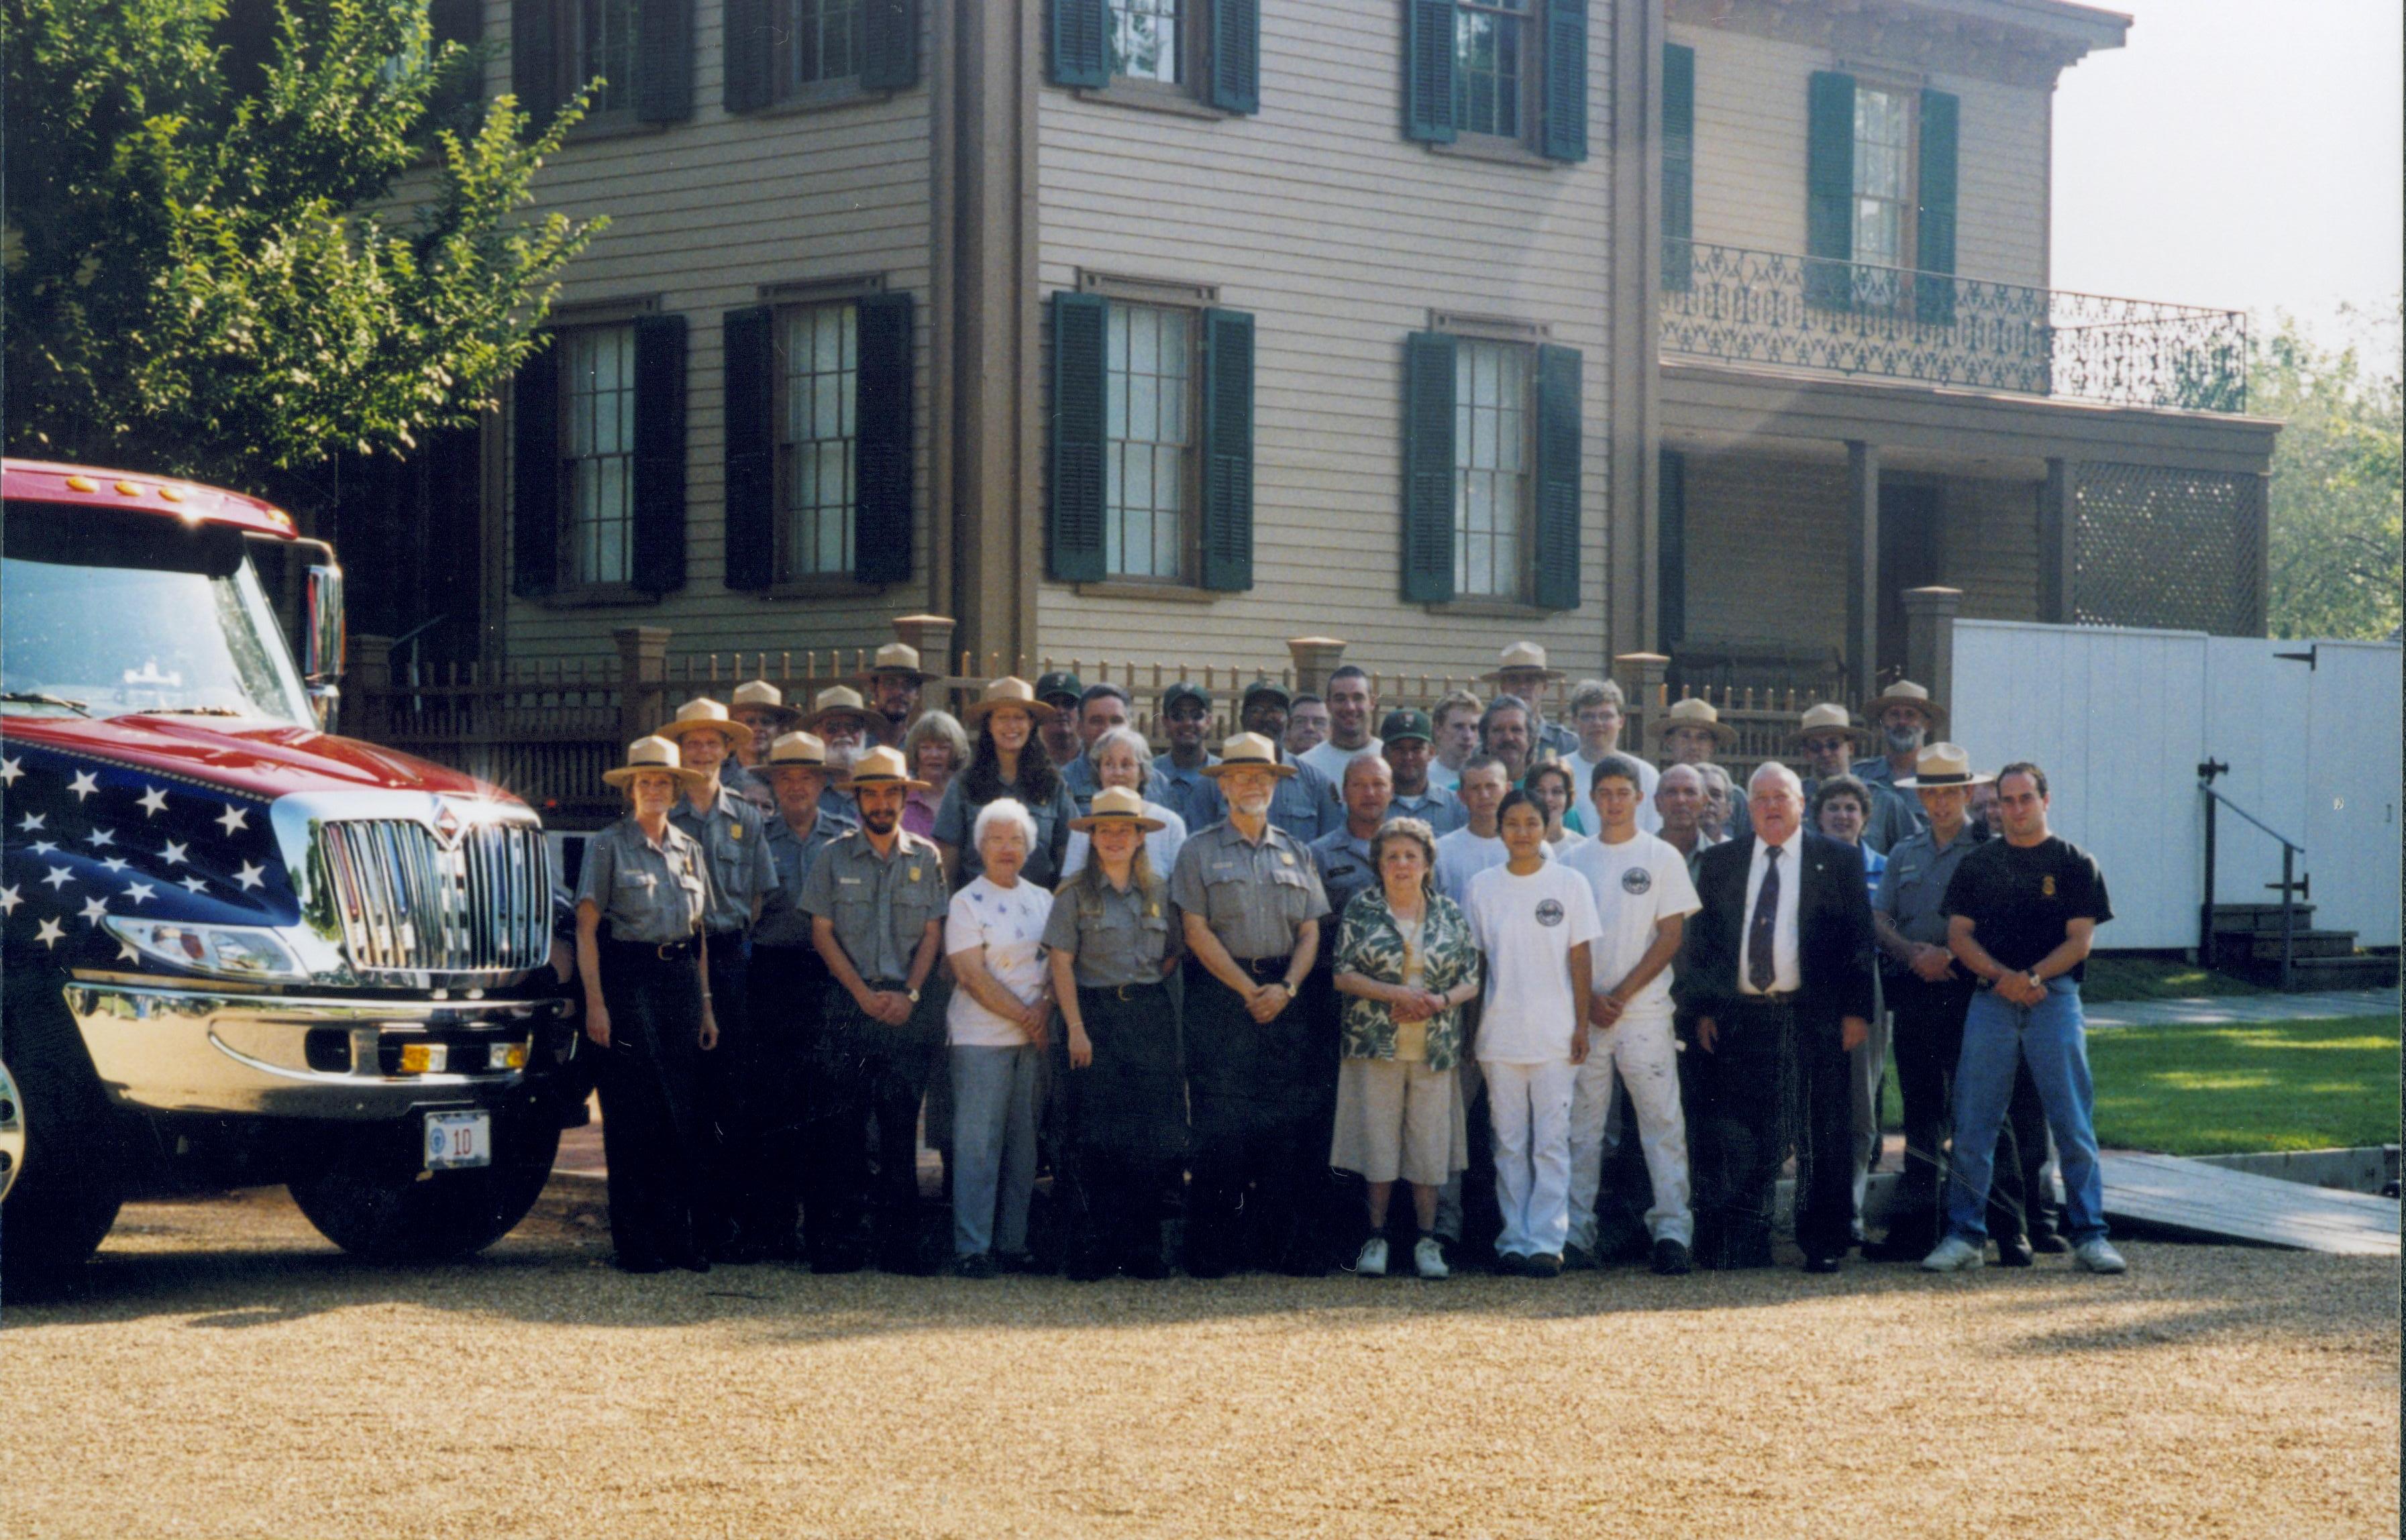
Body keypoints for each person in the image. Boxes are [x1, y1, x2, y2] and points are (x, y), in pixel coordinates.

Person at [1922, 761, 2126, 1275]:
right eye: (2005, 801)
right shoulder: (1979, 864)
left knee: (2073, 1123)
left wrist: (2031, 978)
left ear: (2045, 800)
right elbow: (1959, 936)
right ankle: (1965, 1236)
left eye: (2024, 799)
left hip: (2053, 1000)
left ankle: (2090, 1235)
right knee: (1973, 1125)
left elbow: (2080, 940)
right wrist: (2000, 978)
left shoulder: (2076, 863)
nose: (2014, 810)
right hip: (1991, 1000)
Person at [1678, 763, 1875, 1274]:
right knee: (1743, 1130)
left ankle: (1823, 1240)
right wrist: (1702, 1008)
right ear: (1748, 808)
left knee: (1820, 1129)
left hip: (1813, 1015)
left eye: (1781, 797)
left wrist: (1857, 1012)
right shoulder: (1722, 862)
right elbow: (1705, 943)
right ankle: (1743, 1240)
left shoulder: (1837, 859)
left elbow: (1859, 940)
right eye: (1761, 797)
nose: (1771, 806)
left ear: (1801, 803)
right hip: (1743, 1015)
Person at [1864, 745, 2054, 1264]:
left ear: (1968, 793)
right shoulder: (1905, 852)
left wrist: (1954, 952)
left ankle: (2007, 1229)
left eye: (1951, 791)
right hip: (1918, 994)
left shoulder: (1994, 851)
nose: (1941, 802)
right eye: (1932, 792)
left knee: (1988, 1114)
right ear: (1921, 797)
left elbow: (2011, 923)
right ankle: (1918, 1231)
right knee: (1923, 1114)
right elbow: (1882, 919)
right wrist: (1912, 952)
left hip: (1976, 997)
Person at [1169, 733, 1332, 1276]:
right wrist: (1247, 989)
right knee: (1223, 1127)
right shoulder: (1198, 850)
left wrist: (1285, 989)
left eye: (1262, 777)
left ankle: (1280, 1248)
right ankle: (1216, 1252)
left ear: (1275, 785)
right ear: (1223, 786)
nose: (1252, 785)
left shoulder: (1297, 851)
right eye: (1241, 776)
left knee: (1286, 1129)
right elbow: (1194, 931)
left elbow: (1310, 930)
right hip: (1222, 997)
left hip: (1286, 995)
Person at [800, 746, 950, 1274]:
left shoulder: (926, 857)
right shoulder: (833, 856)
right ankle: (839, 1246)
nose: (882, 803)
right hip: (849, 1004)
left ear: (905, 797)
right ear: (858, 798)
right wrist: (862, 995)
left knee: (898, 1129)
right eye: (871, 793)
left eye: (891, 793)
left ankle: (900, 1248)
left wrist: (909, 994)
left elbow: (933, 932)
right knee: (842, 1132)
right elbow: (821, 932)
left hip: (905, 1008)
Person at [575, 736, 721, 1274]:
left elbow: (699, 932)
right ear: (631, 790)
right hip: (628, 979)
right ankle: (635, 1243)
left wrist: (705, 1005)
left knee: (679, 1115)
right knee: (634, 1115)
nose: (655, 790)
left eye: (663, 782)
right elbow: (587, 928)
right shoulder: (609, 846)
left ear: (677, 790)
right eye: (645, 782)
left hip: (679, 980)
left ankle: (675, 1236)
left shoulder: (690, 849)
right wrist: (596, 1003)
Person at [1561, 755, 1700, 1276]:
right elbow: (1570, 941)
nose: (1614, 801)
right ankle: (1575, 1231)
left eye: (1624, 792)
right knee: (1583, 1127)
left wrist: (1618, 994)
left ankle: (1671, 1229)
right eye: (1605, 793)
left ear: (1640, 798)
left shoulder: (1661, 856)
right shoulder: (1574, 861)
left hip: (1642, 1013)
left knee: (1661, 1122)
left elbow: (1671, 936)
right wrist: (1591, 1001)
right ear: (1593, 799)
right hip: (1587, 1014)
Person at [1046, 787, 1187, 1280]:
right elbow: (1061, 963)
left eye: (1123, 830)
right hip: (1094, 1015)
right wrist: (1077, 1029)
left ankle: (1142, 1246)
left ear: (1140, 838)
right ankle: (1095, 1247)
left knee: (1147, 1137)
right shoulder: (1074, 896)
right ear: (1092, 837)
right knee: (1096, 1136)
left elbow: (1171, 955)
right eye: (1104, 830)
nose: (1114, 838)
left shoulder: (1160, 893)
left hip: (1147, 1015)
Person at [656, 696, 777, 1262]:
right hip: (678, 961)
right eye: (692, 743)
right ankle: (689, 1226)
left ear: (729, 750)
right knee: (685, 1092)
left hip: (728, 960)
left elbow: (756, 895)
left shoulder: (747, 818)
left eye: (712, 743)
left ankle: (735, 1224)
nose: (702, 753)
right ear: (679, 752)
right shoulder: (663, 816)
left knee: (733, 1093)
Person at [1330, 818, 1479, 1281]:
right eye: (1391, 856)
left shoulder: (1450, 914)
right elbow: (1342, 974)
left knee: (1428, 1145)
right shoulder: (1362, 909)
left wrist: (1437, 1001)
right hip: (1376, 1044)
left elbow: (1470, 979)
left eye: (1410, 856)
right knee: (1378, 1140)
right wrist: (1395, 995)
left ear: (1428, 864)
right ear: (1378, 863)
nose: (1401, 865)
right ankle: (1377, 1238)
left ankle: (1426, 1240)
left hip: (1434, 1047)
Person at [1462, 789, 1602, 1276]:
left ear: (1546, 827)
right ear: (1500, 829)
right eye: (1513, 823)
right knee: (1508, 1141)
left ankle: (1547, 1240)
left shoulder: (1570, 883)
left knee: (1551, 1141)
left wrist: (1581, 1025)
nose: (1522, 832)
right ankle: (1513, 1240)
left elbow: (1580, 958)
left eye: (1531, 822)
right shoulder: (1482, 887)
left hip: (1555, 1034)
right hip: (1499, 1035)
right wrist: (1471, 1029)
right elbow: (1476, 963)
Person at [743, 730, 855, 1262]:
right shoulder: (756, 839)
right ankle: (775, 1229)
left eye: (805, 777)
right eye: (784, 777)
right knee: (773, 1104)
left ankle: (827, 1233)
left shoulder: (845, 837)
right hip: (773, 976)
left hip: (830, 978)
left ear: (821, 783)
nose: (795, 787)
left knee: (829, 1107)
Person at [943, 799, 1055, 1278]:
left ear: (1028, 847)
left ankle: (1012, 1242)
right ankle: (973, 1248)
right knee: (978, 1146)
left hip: (1032, 1041)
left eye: (1015, 839)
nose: (1006, 848)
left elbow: (1058, 968)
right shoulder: (966, 902)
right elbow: (972, 976)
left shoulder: (1043, 900)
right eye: (996, 839)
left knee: (1022, 1145)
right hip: (980, 1038)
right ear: (980, 847)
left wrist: (1041, 1013)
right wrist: (1029, 1017)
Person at [1813, 773, 1889, 1245]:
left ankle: (1852, 1208)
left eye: (1851, 808)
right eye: (1834, 808)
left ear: (1864, 817)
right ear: (1817, 816)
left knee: (1861, 1101)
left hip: (1869, 991)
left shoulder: (1886, 867)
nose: (1843, 816)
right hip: (1811, 991)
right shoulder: (1804, 865)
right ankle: (1816, 1207)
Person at [933, 677, 1076, 889]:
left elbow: (1070, 858)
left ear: (1031, 724)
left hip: (1039, 911)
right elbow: (947, 866)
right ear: (989, 725)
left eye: (1019, 718)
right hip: (977, 912)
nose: (1011, 726)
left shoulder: (1053, 784)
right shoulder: (964, 785)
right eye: (1003, 718)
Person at [1184, 680, 1340, 839]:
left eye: (1276, 711)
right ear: (1242, 720)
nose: (1266, 718)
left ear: (1290, 722)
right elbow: (1198, 848)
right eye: (1257, 711)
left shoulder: (1315, 783)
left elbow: (1329, 850)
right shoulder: (1212, 784)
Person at [1061, 725, 1190, 880]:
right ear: (1099, 771)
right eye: (1109, 764)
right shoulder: (1085, 827)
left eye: (1126, 764)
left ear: (1142, 772)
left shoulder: (1171, 825)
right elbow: (1069, 887)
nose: (1117, 773)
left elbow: (1182, 889)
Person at [1434, 755, 1553, 907]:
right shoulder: (1442, 852)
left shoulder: (1539, 849)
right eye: (1475, 788)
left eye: (1491, 786)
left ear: (1508, 789)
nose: (1484, 795)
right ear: (1462, 796)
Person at [1795, 703, 1914, 855]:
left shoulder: (1884, 801)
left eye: (1833, 744)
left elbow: (1914, 854)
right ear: (1807, 753)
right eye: (1816, 747)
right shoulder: (1793, 802)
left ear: (1850, 748)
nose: (1825, 753)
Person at [1562, 679, 1659, 836]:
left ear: (1621, 721)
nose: (1597, 723)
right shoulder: (1559, 771)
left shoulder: (1645, 774)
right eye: (1588, 717)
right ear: (1574, 721)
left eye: (1606, 716)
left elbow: (1654, 832)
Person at [1850, 680, 1944, 840]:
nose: (1902, 722)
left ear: (1926, 725)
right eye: (1894, 715)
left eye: (1910, 715)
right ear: (1882, 723)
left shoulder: (1943, 780)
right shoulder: (1859, 777)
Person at [1310, 755, 1396, 923]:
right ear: (1344, 793)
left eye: (1378, 784)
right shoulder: (1318, 855)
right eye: (1359, 785)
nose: (1369, 793)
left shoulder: (1408, 850)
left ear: (1392, 791)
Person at [1061, 683, 1171, 812]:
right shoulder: (1063, 782)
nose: (1108, 729)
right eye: (1097, 721)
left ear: (1130, 726)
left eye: (1116, 721)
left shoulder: (1158, 783)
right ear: (1079, 728)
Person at [1660, 696, 1750, 843]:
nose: (1693, 746)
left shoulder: (1735, 796)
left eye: (1702, 738)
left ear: (1713, 746)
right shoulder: (1659, 789)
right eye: (1685, 736)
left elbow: (1747, 848)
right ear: (1670, 742)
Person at [1481, 641, 1578, 760]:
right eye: (1514, 680)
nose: (1522, 686)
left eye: (1530, 680)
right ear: (1503, 688)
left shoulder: (1566, 744)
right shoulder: (1485, 744)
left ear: (1545, 686)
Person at [1380, 708, 1467, 834]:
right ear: (1384, 754)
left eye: (1416, 749)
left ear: (1431, 752)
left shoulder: (1455, 806)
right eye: (1399, 749)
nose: (1408, 757)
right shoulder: (1375, 806)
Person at [802, 685, 878, 823]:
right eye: (832, 727)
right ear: (816, 733)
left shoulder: (880, 785)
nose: (843, 733)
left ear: (864, 732)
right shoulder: (804, 788)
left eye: (852, 727)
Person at [1151, 681, 1219, 830]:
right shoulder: (1150, 776)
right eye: (1178, 716)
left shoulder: (1225, 775)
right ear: (1165, 723)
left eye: (1196, 715)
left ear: (1208, 721)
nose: (1188, 723)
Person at [1300, 665, 1381, 784]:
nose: (1350, 707)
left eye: (1358, 698)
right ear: (1328, 705)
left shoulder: (1388, 759)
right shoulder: (1307, 765)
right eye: (1340, 699)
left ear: (1372, 703)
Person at [900, 710, 970, 840]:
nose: (934, 755)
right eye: (925, 748)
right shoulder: (901, 799)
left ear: (955, 752)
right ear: (915, 752)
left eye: (942, 748)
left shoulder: (968, 798)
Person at [866, 641, 932, 749]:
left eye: (908, 685)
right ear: (874, 689)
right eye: (890, 683)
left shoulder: (919, 751)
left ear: (917, 693)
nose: (899, 692)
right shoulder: (858, 748)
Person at [729, 680, 800, 781]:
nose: (758, 728)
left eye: (766, 722)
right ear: (735, 728)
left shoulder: (794, 777)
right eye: (750, 722)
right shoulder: (716, 774)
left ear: (780, 730)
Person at [1653, 763, 1717, 871]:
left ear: (1705, 802)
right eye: (1671, 792)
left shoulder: (1721, 860)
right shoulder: (1639, 855)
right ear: (1657, 803)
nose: (1681, 800)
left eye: (1690, 792)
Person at [1522, 761, 1589, 856]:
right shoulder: (1517, 844)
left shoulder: (1582, 848)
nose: (1548, 798)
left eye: (1557, 792)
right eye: (1540, 791)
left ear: (1570, 797)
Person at [1428, 689, 1483, 793]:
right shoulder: (1424, 779)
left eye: (1473, 728)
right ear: (1438, 729)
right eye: (1459, 727)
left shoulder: (1487, 778)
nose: (1467, 735)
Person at [1479, 694, 1539, 785]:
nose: (1508, 738)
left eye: (1516, 730)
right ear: (1486, 739)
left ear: (1530, 739)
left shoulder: (1543, 793)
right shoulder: (1461, 793)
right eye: (1498, 730)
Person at [1033, 670, 1086, 768]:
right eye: (1052, 704)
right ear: (1038, 712)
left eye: (1068, 703)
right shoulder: (1025, 763)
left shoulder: (1097, 763)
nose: (1061, 711)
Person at [1695, 763, 1737, 843]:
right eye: (1700, 793)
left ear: (1729, 809)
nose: (1708, 800)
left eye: (1715, 795)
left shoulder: (1738, 854)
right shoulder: (1668, 853)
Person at [1284, 694, 1330, 759]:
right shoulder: (1274, 765)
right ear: (1288, 730)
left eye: (1319, 723)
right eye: (1300, 721)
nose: (1309, 728)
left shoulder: (1345, 767)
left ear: (1331, 731)